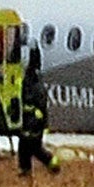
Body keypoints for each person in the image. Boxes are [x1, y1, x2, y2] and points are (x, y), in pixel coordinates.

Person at [19, 46, 60, 176]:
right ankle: (26, 171)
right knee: (25, 147)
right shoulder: (35, 78)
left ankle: (51, 163)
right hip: (32, 119)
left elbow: (38, 101)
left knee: (32, 147)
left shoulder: (31, 80)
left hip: (33, 120)